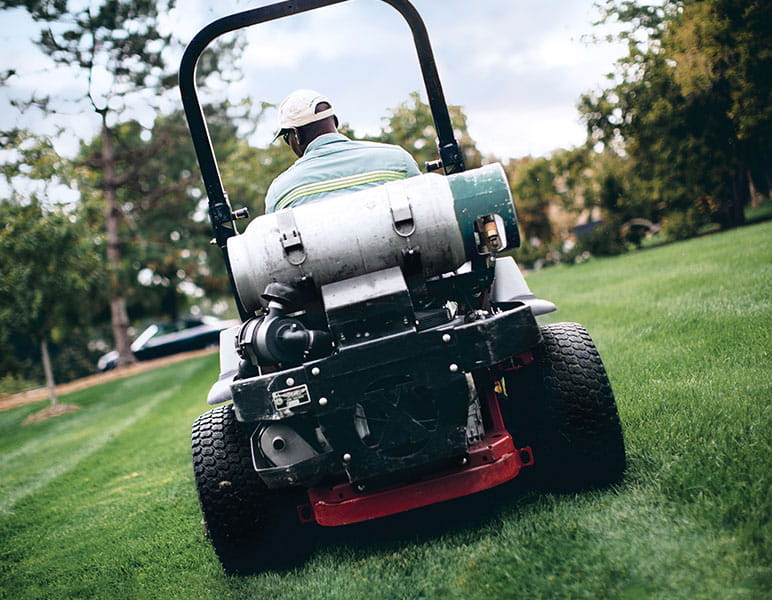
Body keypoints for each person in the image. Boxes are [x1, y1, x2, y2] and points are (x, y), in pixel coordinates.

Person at [264, 89, 421, 213]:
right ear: (336, 121)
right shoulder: (399, 160)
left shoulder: (280, 192)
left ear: (296, 135)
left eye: (287, 138)